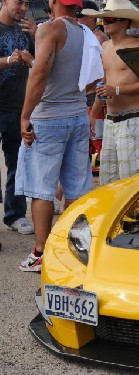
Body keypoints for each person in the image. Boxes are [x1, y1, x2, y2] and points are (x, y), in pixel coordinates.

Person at [16, 0, 102, 271]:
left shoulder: (50, 29)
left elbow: (39, 75)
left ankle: (41, 253)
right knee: (76, 188)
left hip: (49, 119)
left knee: (42, 189)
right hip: (77, 115)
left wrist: (25, 115)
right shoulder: (86, 33)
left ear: (53, 3)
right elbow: (92, 80)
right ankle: (72, 251)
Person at [85, 0, 139, 185]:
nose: (105, 23)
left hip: (130, 119)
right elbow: (103, 85)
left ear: (124, 22)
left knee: (128, 179)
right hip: (110, 120)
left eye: (111, 19)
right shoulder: (105, 48)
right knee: (107, 177)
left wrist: (116, 90)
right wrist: (93, 115)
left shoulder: (136, 48)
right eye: (104, 20)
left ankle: (130, 213)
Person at [0, 0, 35, 235]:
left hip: (18, 107)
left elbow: (41, 62)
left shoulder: (27, 30)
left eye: (26, 3)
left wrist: (37, 36)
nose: (23, 7)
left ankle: (16, 214)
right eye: (18, 1)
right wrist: (8, 60)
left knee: (18, 164)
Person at [76, 0, 109, 106]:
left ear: (91, 17)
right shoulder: (89, 36)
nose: (76, 18)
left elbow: (100, 72)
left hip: (92, 95)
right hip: (88, 94)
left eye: (79, 14)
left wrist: (80, 92)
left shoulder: (98, 38)